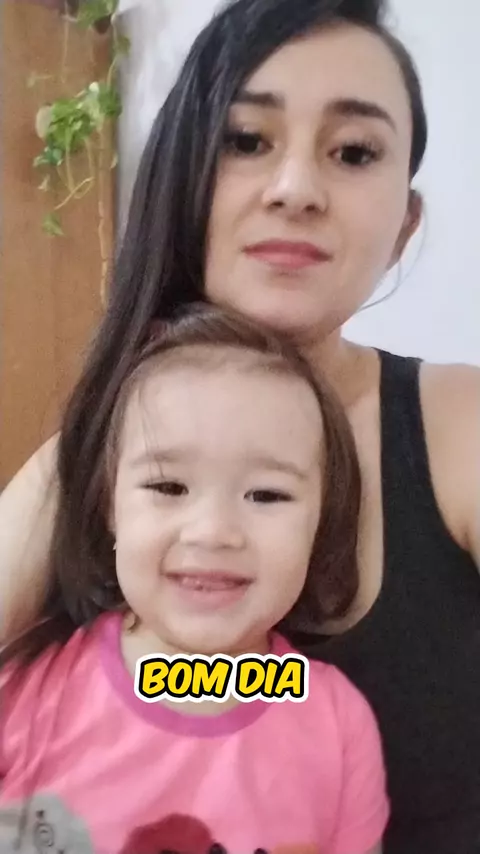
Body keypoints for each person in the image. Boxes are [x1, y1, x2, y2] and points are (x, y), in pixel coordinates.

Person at [0, 0, 479, 851]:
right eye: (248, 140)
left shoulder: (458, 424)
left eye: (353, 152)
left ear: (405, 223)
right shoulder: (86, 453)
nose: (295, 189)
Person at [0, 304, 387, 854]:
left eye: (267, 494)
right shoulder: (25, 692)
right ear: (109, 507)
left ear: (321, 522)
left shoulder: (338, 728)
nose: (213, 532)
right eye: (168, 487)